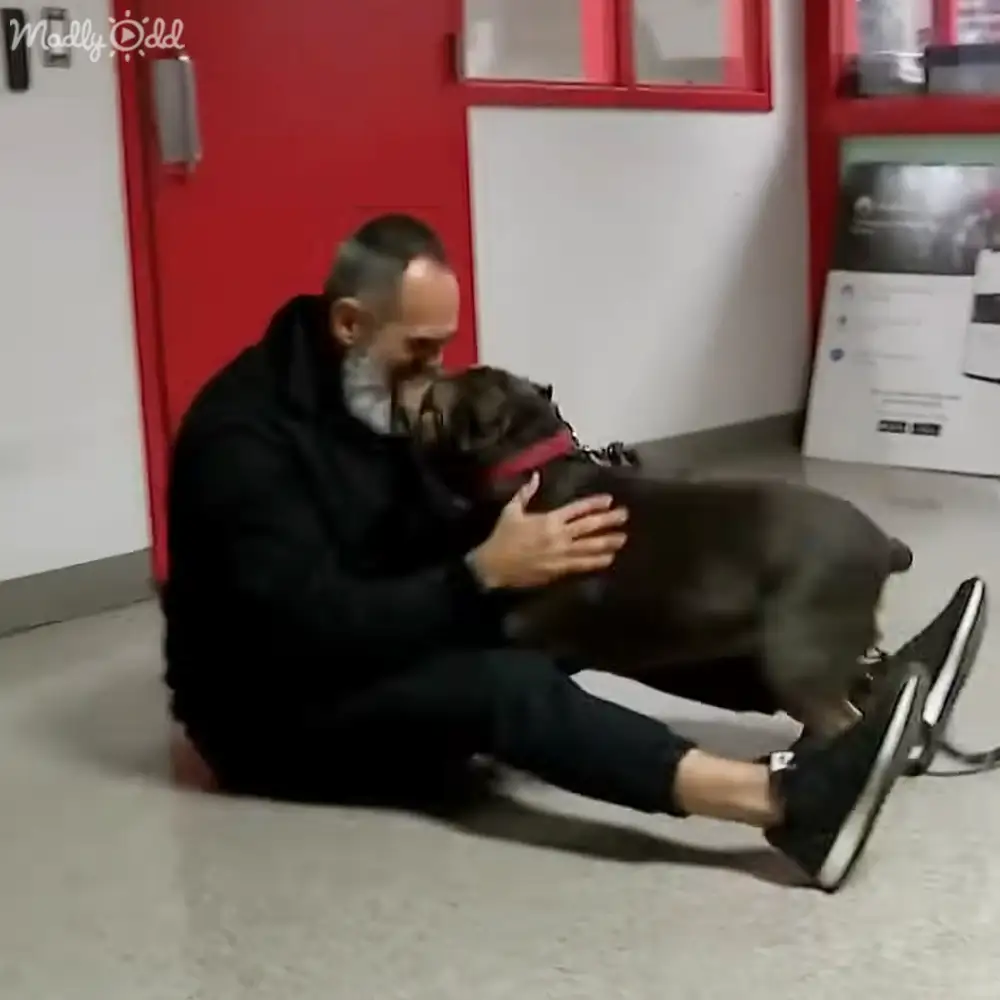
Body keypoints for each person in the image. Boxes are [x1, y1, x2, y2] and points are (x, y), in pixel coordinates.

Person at [163, 214, 985, 893]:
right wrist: (482, 576)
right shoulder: (241, 445)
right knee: (503, 676)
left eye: (441, 348)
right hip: (273, 707)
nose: (434, 371)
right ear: (349, 325)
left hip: (379, 619)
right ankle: (782, 805)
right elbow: (303, 630)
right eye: (420, 350)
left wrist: (548, 537)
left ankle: (858, 693)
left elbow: (422, 532)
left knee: (587, 585)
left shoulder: (369, 391)